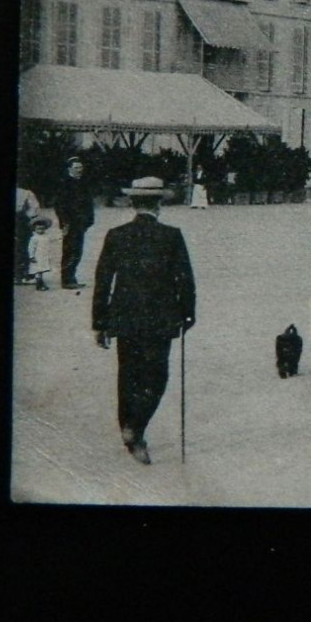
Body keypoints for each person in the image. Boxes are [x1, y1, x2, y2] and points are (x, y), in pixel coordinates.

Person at [91, 177, 196, 465]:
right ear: (159, 204)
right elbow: (185, 279)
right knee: (156, 377)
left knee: (128, 374)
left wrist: (100, 322)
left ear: (133, 203)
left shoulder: (115, 234)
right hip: (161, 319)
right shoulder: (172, 235)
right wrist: (188, 315)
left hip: (124, 318)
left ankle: (129, 427)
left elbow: (102, 281)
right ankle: (136, 427)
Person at [55, 155, 96, 289]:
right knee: (70, 250)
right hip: (70, 223)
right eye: (76, 167)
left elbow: (89, 203)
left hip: (81, 224)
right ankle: (66, 280)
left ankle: (71, 277)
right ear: (69, 169)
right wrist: (65, 222)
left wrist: (89, 220)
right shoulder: (64, 183)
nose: (80, 170)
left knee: (77, 251)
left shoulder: (84, 183)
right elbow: (59, 205)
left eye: (81, 167)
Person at [14, 185, 41, 284]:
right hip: (21, 221)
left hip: (22, 223)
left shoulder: (26, 193)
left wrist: (27, 216)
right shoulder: (25, 193)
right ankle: (20, 275)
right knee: (21, 248)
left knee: (23, 247)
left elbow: (34, 209)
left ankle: (22, 275)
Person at [26, 216, 57, 290]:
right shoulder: (34, 238)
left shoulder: (46, 236)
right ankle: (39, 285)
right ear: (35, 229)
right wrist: (31, 256)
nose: (40, 231)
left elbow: (51, 241)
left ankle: (41, 284)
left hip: (44, 256)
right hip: (37, 257)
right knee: (38, 271)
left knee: (41, 271)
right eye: (38, 229)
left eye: (42, 229)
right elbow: (31, 248)